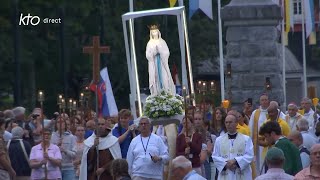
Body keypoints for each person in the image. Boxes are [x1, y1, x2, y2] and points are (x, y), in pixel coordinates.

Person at [212, 114, 254, 180]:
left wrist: (236, 161)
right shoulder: (219, 140)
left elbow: (250, 155)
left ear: (236, 123)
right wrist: (225, 164)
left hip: (241, 173)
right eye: (226, 122)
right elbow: (215, 156)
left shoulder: (246, 139)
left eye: (230, 122)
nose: (228, 124)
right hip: (226, 173)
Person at [146, 25, 176, 95]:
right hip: (154, 63)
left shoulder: (162, 42)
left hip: (163, 63)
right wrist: (154, 52)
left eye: (155, 32)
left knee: (165, 78)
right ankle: (157, 93)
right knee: (155, 79)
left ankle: (167, 93)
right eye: (153, 32)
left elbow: (167, 52)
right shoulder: (150, 43)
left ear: (158, 32)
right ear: (151, 33)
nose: (154, 33)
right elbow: (148, 55)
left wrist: (161, 51)